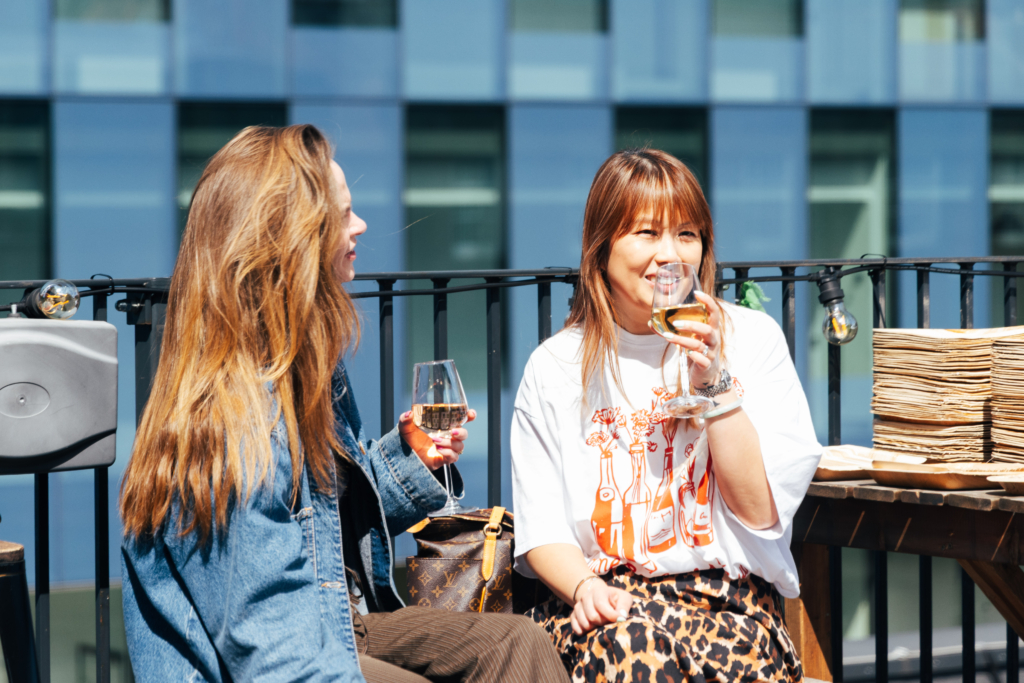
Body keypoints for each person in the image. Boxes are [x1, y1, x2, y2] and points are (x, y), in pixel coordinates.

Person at [119, 124, 569, 683]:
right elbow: (275, 654)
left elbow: (321, 519)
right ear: (290, 238)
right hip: (300, 645)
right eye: (341, 214)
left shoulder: (304, 369)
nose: (360, 226)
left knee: (517, 643)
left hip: (337, 617)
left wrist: (410, 462)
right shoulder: (232, 424)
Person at [511, 149, 822, 682]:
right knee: (632, 648)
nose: (670, 255)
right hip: (607, 606)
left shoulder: (751, 339)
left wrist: (715, 384)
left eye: (686, 234)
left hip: (729, 609)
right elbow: (541, 530)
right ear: (602, 246)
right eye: (647, 233)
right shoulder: (555, 366)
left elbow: (760, 512)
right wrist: (587, 589)